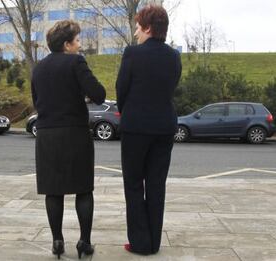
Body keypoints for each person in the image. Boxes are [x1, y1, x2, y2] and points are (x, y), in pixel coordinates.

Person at [31, 20, 106, 259]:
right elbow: (98, 94)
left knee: (53, 191)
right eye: (77, 41)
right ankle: (84, 243)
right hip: (74, 133)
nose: (80, 44)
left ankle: (57, 241)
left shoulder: (39, 68)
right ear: (67, 44)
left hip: (46, 134)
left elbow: (37, 100)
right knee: (83, 189)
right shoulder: (76, 61)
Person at [116, 5, 182, 255]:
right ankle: (153, 242)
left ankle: (140, 242)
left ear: (147, 28)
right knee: (156, 184)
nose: (135, 33)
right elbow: (171, 86)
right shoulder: (174, 56)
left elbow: (122, 89)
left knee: (133, 184)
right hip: (164, 127)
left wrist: (129, 111)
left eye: (137, 27)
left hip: (136, 128)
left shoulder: (132, 54)